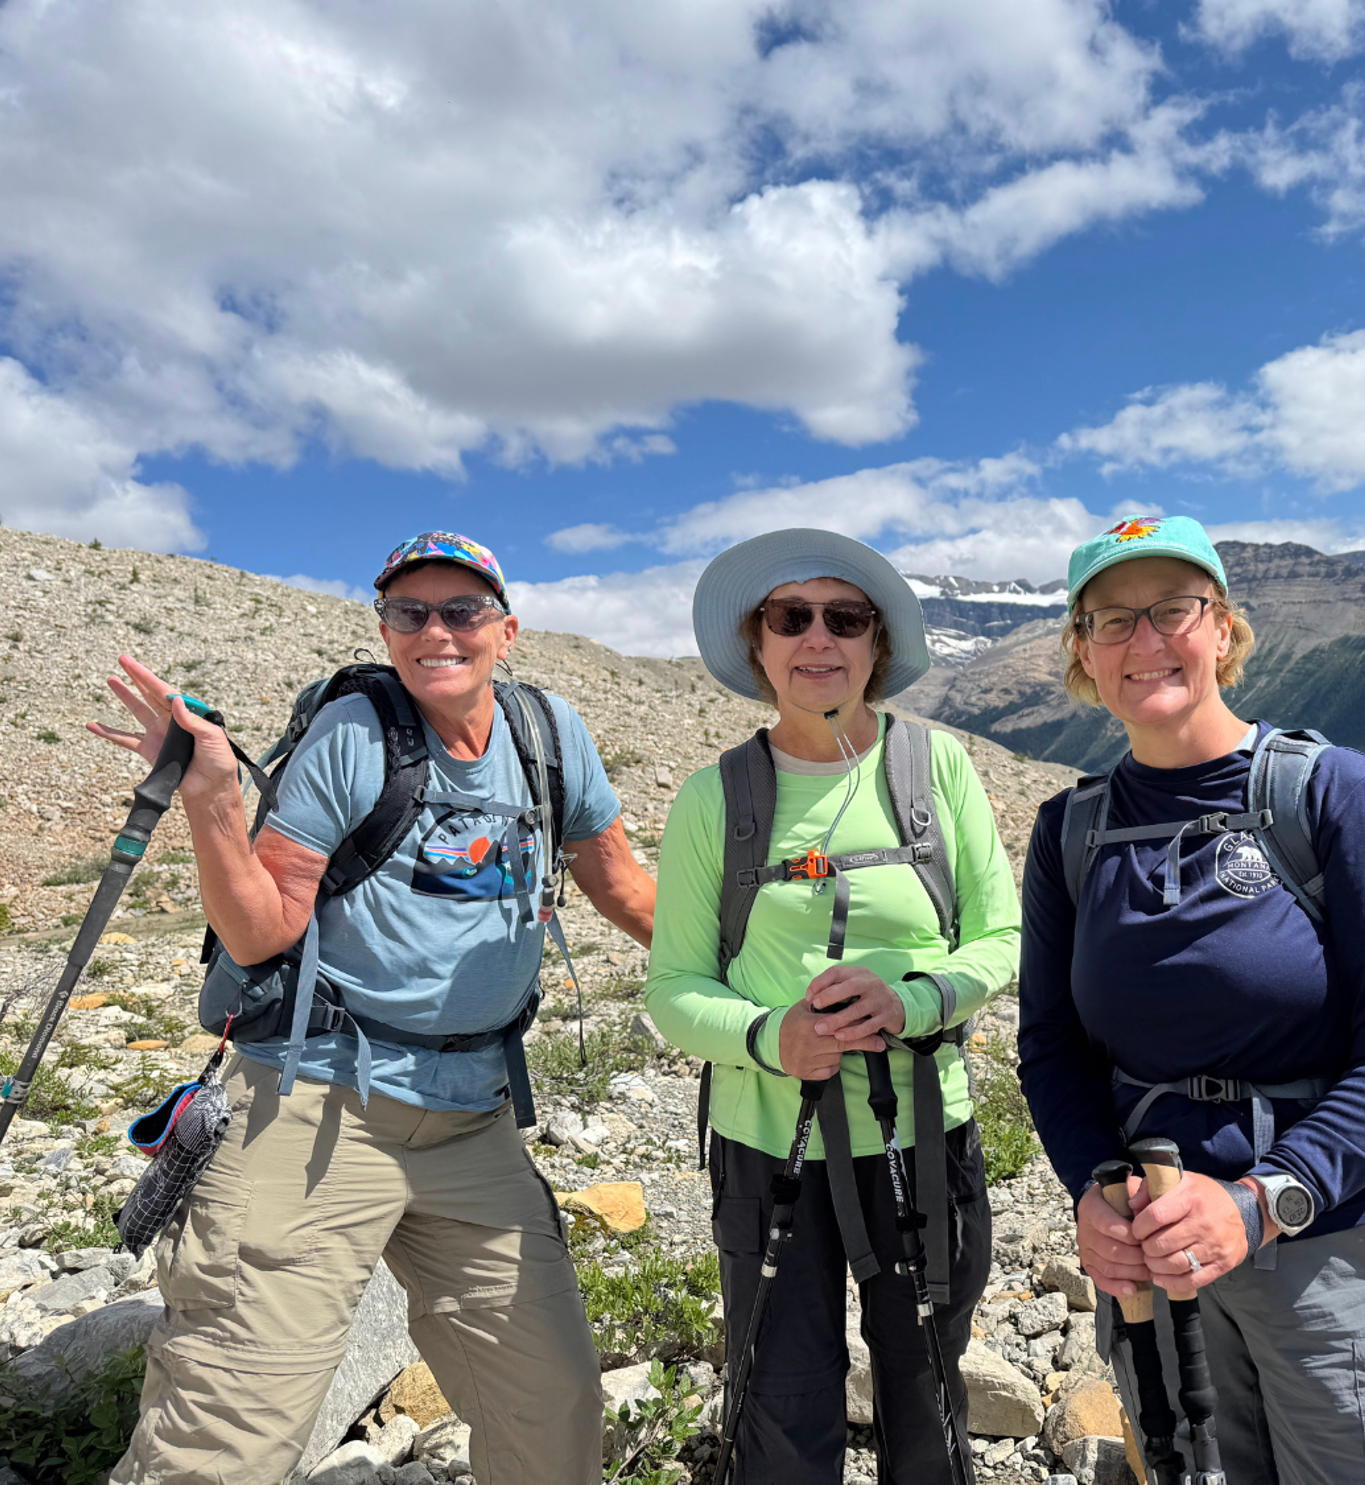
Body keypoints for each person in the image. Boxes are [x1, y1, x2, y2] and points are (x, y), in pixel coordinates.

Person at [88, 531, 655, 1485]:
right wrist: (215, 797)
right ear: (386, 626)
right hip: (314, 1109)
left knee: (551, 1407)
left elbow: (626, 888)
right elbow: (267, 929)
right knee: (225, 1438)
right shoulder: (352, 733)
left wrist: (757, 982)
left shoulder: (550, 735)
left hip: (473, 1123)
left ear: (506, 630)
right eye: (410, 612)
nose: (436, 630)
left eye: (461, 611)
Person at [1015, 516, 1365, 1483]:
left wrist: (1261, 1203)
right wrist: (1094, 1186)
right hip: (1158, 1245)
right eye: (1112, 621)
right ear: (1083, 654)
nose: (1146, 641)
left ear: (1223, 630)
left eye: (1174, 609)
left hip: (1332, 1237)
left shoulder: (1338, 794)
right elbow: (1051, 1048)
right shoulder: (1068, 834)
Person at [644, 528, 1020, 1484]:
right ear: (759, 644)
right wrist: (775, 1035)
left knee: (927, 1397)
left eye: (845, 617)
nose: (820, 638)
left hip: (923, 1138)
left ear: (876, 644)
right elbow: (676, 988)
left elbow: (1001, 940)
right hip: (769, 1144)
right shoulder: (712, 798)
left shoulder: (935, 770)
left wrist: (914, 997)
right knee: (781, 1399)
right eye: (790, 617)